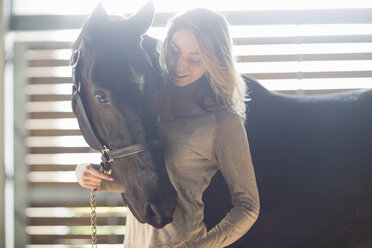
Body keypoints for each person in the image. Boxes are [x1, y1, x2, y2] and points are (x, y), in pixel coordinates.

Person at [76, 7, 260, 248]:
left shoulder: (222, 123)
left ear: (213, 60)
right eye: (174, 51)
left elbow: (248, 207)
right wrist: (89, 174)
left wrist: (196, 247)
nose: (179, 66)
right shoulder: (150, 101)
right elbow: (141, 177)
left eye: (194, 59)